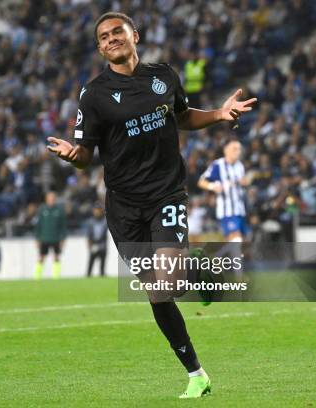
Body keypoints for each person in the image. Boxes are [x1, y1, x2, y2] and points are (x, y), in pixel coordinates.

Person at [47, 12, 256, 398]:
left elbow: (183, 117)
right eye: (103, 37)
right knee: (158, 293)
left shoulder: (164, 76)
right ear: (99, 48)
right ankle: (197, 374)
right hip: (124, 207)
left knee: (170, 281)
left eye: (117, 32)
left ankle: (199, 276)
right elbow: (86, 155)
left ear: (134, 36)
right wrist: (72, 154)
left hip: (166, 194)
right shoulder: (93, 94)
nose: (111, 39)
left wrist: (219, 114)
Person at [198, 138, 251, 242]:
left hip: (240, 209)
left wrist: (245, 182)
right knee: (236, 239)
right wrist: (213, 187)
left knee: (244, 242)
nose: (238, 151)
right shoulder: (218, 165)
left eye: (239, 149)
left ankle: (219, 256)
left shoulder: (240, 166)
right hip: (227, 211)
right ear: (226, 150)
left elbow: (242, 183)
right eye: (234, 148)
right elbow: (201, 182)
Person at [34, 191, 67, 280]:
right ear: (46, 199)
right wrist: (37, 238)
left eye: (53, 198)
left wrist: (63, 239)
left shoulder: (59, 210)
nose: (51, 200)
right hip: (44, 238)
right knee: (41, 257)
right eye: (49, 198)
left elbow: (63, 226)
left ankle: (56, 277)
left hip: (56, 238)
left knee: (56, 257)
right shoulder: (42, 209)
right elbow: (38, 225)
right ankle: (37, 277)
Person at [86, 203, 108, 277]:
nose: (97, 212)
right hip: (94, 245)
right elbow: (89, 235)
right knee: (90, 263)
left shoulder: (105, 221)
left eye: (98, 210)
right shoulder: (91, 222)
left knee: (102, 265)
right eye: (95, 210)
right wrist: (90, 246)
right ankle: (88, 277)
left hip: (102, 245)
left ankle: (102, 277)